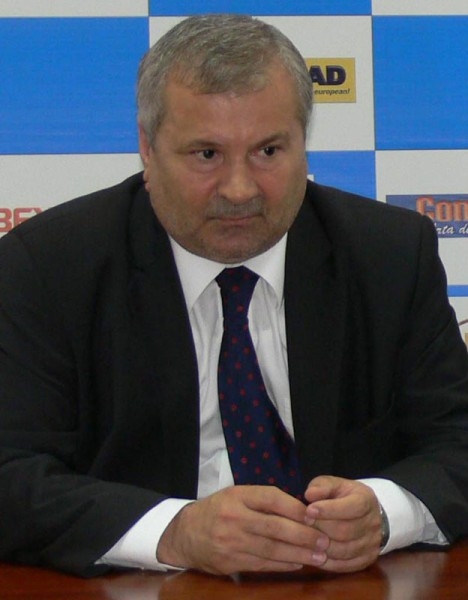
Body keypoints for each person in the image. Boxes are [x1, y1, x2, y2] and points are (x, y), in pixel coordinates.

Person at [0, 13, 468, 578]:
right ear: (147, 148)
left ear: (303, 142)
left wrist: (387, 511)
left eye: (268, 151)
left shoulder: (389, 255)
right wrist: (174, 531)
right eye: (207, 155)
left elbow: (457, 439)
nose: (241, 189)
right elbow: (11, 472)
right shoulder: (49, 267)